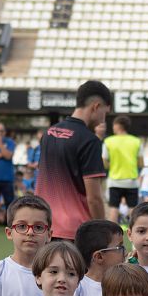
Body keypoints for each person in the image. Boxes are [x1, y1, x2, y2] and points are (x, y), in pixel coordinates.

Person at [36, 81, 112, 241]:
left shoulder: (49, 133)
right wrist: (103, 230)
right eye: (104, 114)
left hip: (43, 226)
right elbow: (94, 198)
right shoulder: (89, 140)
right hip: (75, 232)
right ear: (96, 106)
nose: (102, 121)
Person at [74, 219, 126, 296]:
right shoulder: (78, 288)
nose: (125, 253)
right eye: (120, 248)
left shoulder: (125, 282)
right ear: (99, 257)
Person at [103, 116, 143, 223]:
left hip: (114, 180)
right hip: (131, 181)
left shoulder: (108, 141)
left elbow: (104, 162)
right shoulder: (136, 141)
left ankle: (111, 235)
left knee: (113, 209)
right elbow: (141, 163)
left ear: (117, 126)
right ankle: (134, 235)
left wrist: (111, 165)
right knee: (133, 210)